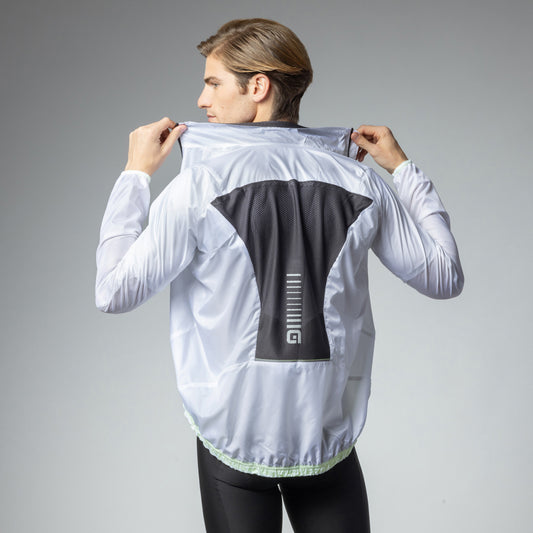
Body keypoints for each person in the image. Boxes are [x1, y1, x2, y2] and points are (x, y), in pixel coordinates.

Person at [95, 18, 463, 533]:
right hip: (325, 437)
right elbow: (444, 277)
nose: (202, 100)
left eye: (213, 83)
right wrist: (402, 168)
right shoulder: (362, 181)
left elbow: (112, 291)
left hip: (233, 440)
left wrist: (135, 176)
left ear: (259, 87)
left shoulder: (197, 185)